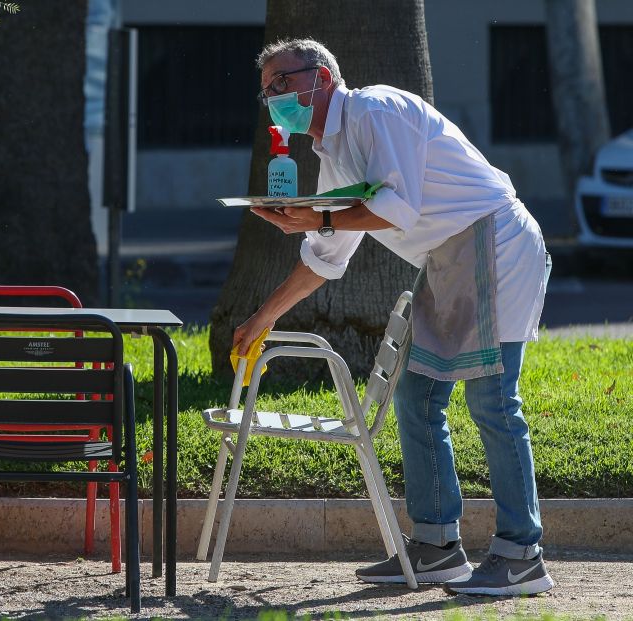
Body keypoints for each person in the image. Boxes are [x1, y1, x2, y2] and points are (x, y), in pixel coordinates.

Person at [235, 38, 553, 596]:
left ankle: (522, 554)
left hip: (493, 242)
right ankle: (435, 547)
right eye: (267, 93)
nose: (275, 99)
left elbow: (392, 209)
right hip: (449, 258)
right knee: (418, 397)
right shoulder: (332, 153)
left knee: (493, 398)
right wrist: (262, 318)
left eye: (282, 84)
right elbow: (325, 257)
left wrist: (317, 217)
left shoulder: (378, 110)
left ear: (324, 77)